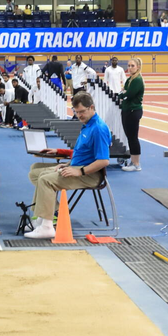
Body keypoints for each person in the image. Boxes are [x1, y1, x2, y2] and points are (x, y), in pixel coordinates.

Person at [22, 92, 111, 239]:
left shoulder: (98, 128)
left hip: (90, 175)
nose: (79, 115)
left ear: (92, 107)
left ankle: (47, 226)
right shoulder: (87, 124)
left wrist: (79, 171)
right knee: (36, 171)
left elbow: (103, 161)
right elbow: (83, 152)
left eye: (82, 112)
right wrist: (68, 163)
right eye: (76, 112)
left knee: (45, 179)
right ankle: (46, 215)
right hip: (78, 166)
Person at [120, 57, 144, 172]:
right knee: (130, 137)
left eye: (132, 66)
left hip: (133, 111)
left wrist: (121, 95)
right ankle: (133, 161)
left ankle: (136, 164)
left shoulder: (137, 80)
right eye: (128, 65)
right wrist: (122, 94)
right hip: (127, 110)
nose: (129, 68)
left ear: (138, 67)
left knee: (133, 138)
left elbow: (128, 94)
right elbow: (123, 90)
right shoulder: (130, 79)